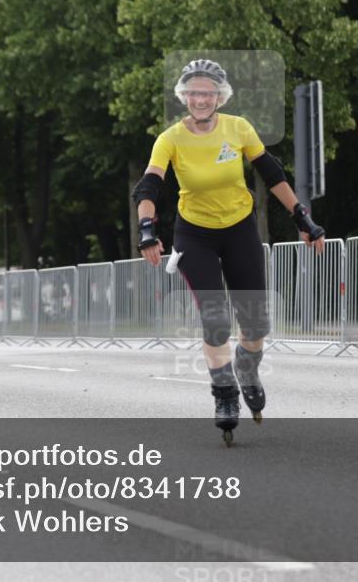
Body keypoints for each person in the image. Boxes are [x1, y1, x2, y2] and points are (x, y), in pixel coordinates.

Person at [132, 59, 326, 444]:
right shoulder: (170, 138)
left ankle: (248, 369)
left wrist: (302, 219)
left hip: (239, 228)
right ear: (183, 96)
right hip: (195, 235)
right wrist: (147, 230)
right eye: (193, 92)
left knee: (255, 324)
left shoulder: (238, 128)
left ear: (220, 96)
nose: (200, 98)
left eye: (208, 92)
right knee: (216, 320)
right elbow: (148, 187)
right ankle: (224, 395)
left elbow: (271, 174)